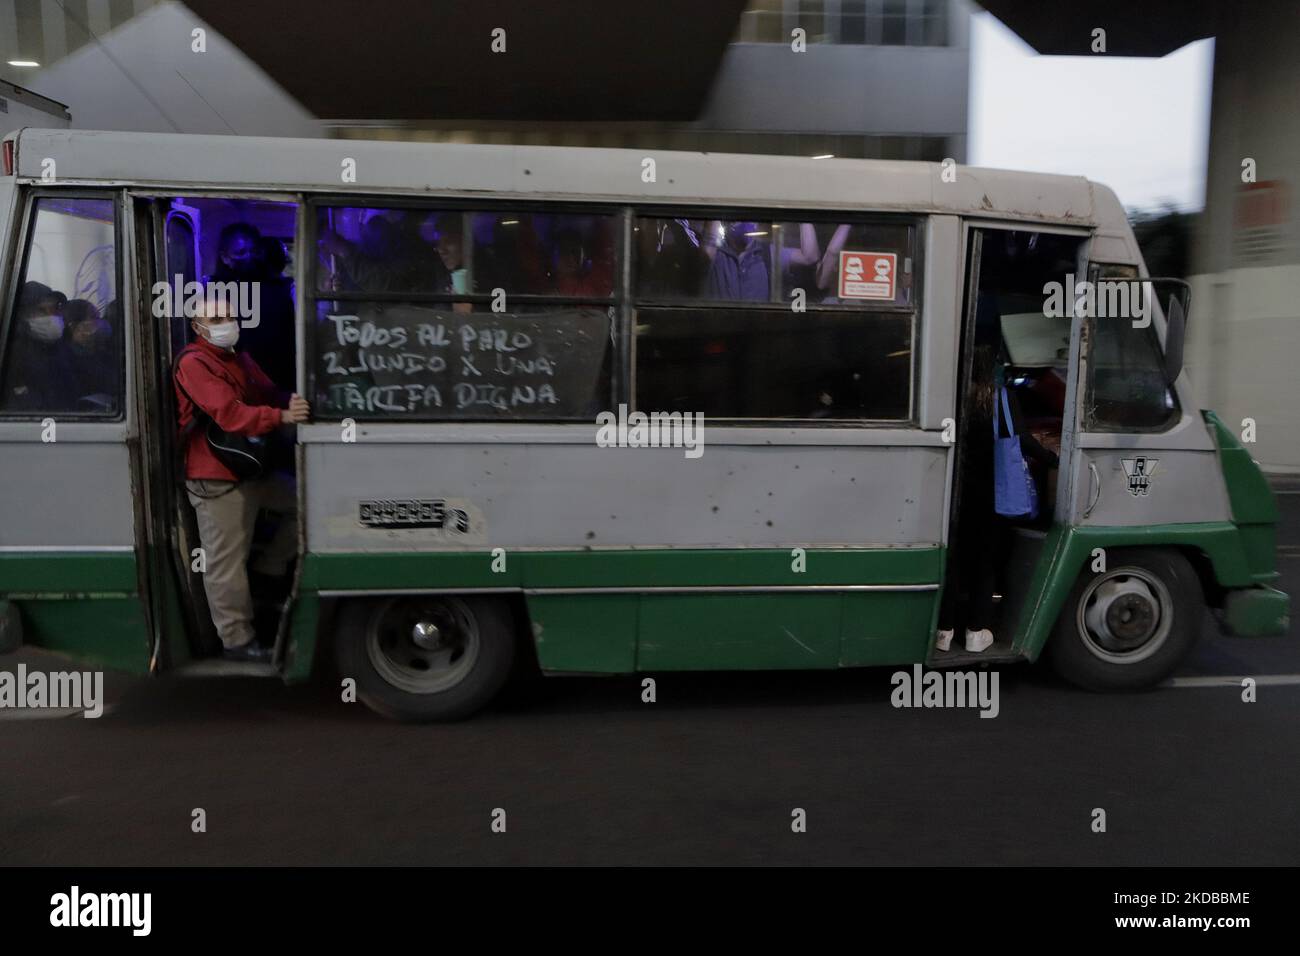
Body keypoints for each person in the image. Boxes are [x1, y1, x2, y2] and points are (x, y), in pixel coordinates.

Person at [175, 296, 310, 662]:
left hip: (251, 468)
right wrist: (281, 417)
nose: (225, 322)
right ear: (197, 327)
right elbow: (230, 414)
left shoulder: (237, 356)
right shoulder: (193, 362)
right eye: (215, 318)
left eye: (229, 316)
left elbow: (267, 392)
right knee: (225, 562)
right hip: (216, 476)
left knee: (306, 506)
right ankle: (237, 641)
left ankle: (267, 573)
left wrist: (296, 401)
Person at [937, 344, 1057, 653]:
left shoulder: (953, 397)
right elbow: (1023, 440)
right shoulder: (1001, 398)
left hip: (955, 495)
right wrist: (1051, 458)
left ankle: (944, 632)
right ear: (994, 368)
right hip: (994, 494)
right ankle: (976, 632)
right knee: (985, 563)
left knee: (955, 562)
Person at [2, 281, 74, 412]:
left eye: (54, 309)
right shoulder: (12, 352)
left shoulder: (60, 345)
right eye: (42, 310)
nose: (51, 316)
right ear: (23, 314)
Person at [63, 298, 117, 410]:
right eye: (94, 318)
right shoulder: (67, 361)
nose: (101, 323)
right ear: (74, 326)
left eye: (99, 317)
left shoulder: (101, 353)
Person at [705, 220, 769, 301]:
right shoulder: (716, 254)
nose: (747, 225)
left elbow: (789, 258)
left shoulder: (766, 253)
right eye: (738, 220)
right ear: (726, 223)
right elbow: (707, 249)